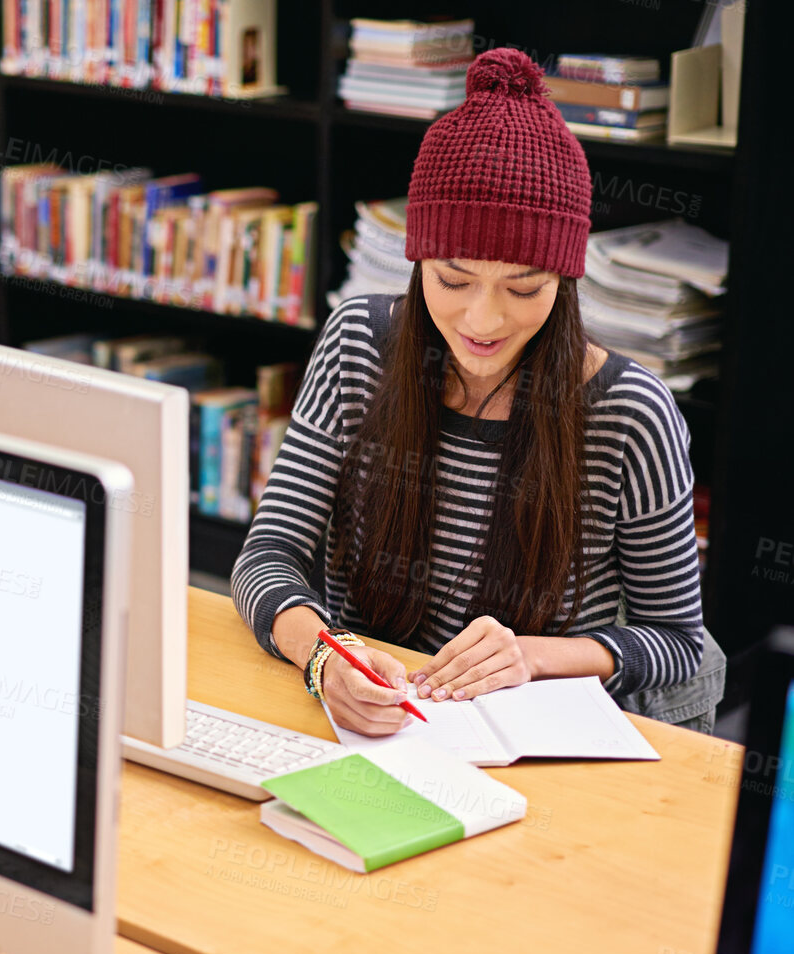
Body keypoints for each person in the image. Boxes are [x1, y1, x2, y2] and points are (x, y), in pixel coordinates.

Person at [232, 48, 722, 738]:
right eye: (452, 280)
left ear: (564, 281)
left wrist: (530, 657)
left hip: (532, 743)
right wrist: (324, 658)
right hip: (370, 723)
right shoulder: (356, 345)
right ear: (416, 262)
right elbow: (269, 553)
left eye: (523, 288)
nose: (482, 321)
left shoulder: (629, 412)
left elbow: (676, 642)